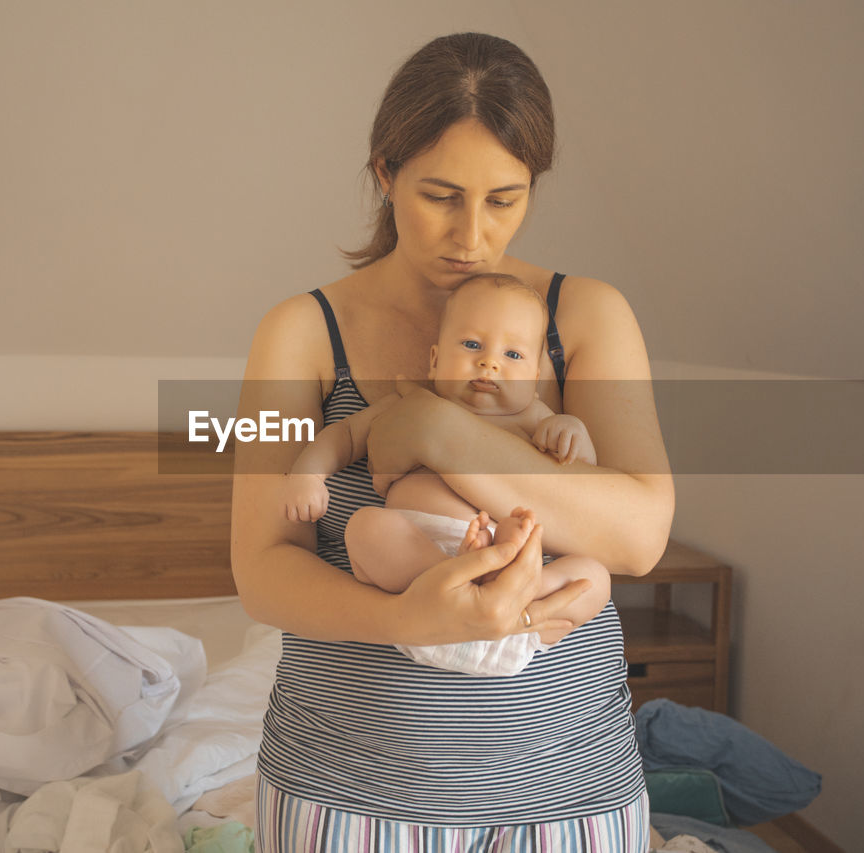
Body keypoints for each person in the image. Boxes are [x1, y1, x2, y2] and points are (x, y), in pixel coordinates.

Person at [231, 32, 673, 852]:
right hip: (348, 799)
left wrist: (440, 428)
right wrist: (412, 617)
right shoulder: (299, 334)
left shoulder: (583, 319)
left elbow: (640, 535)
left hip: (572, 792)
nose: (471, 236)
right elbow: (261, 571)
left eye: (504, 199)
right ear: (384, 173)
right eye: (441, 195)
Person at [280, 273, 612, 676]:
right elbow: (346, 435)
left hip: (515, 583)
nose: (490, 362)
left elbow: (588, 486)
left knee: (594, 577)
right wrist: (308, 474)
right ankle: (459, 578)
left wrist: (573, 431)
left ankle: (519, 594)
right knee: (366, 527)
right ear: (435, 359)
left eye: (513, 355)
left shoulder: (538, 420)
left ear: (536, 377)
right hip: (422, 570)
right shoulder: (412, 402)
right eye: (472, 345)